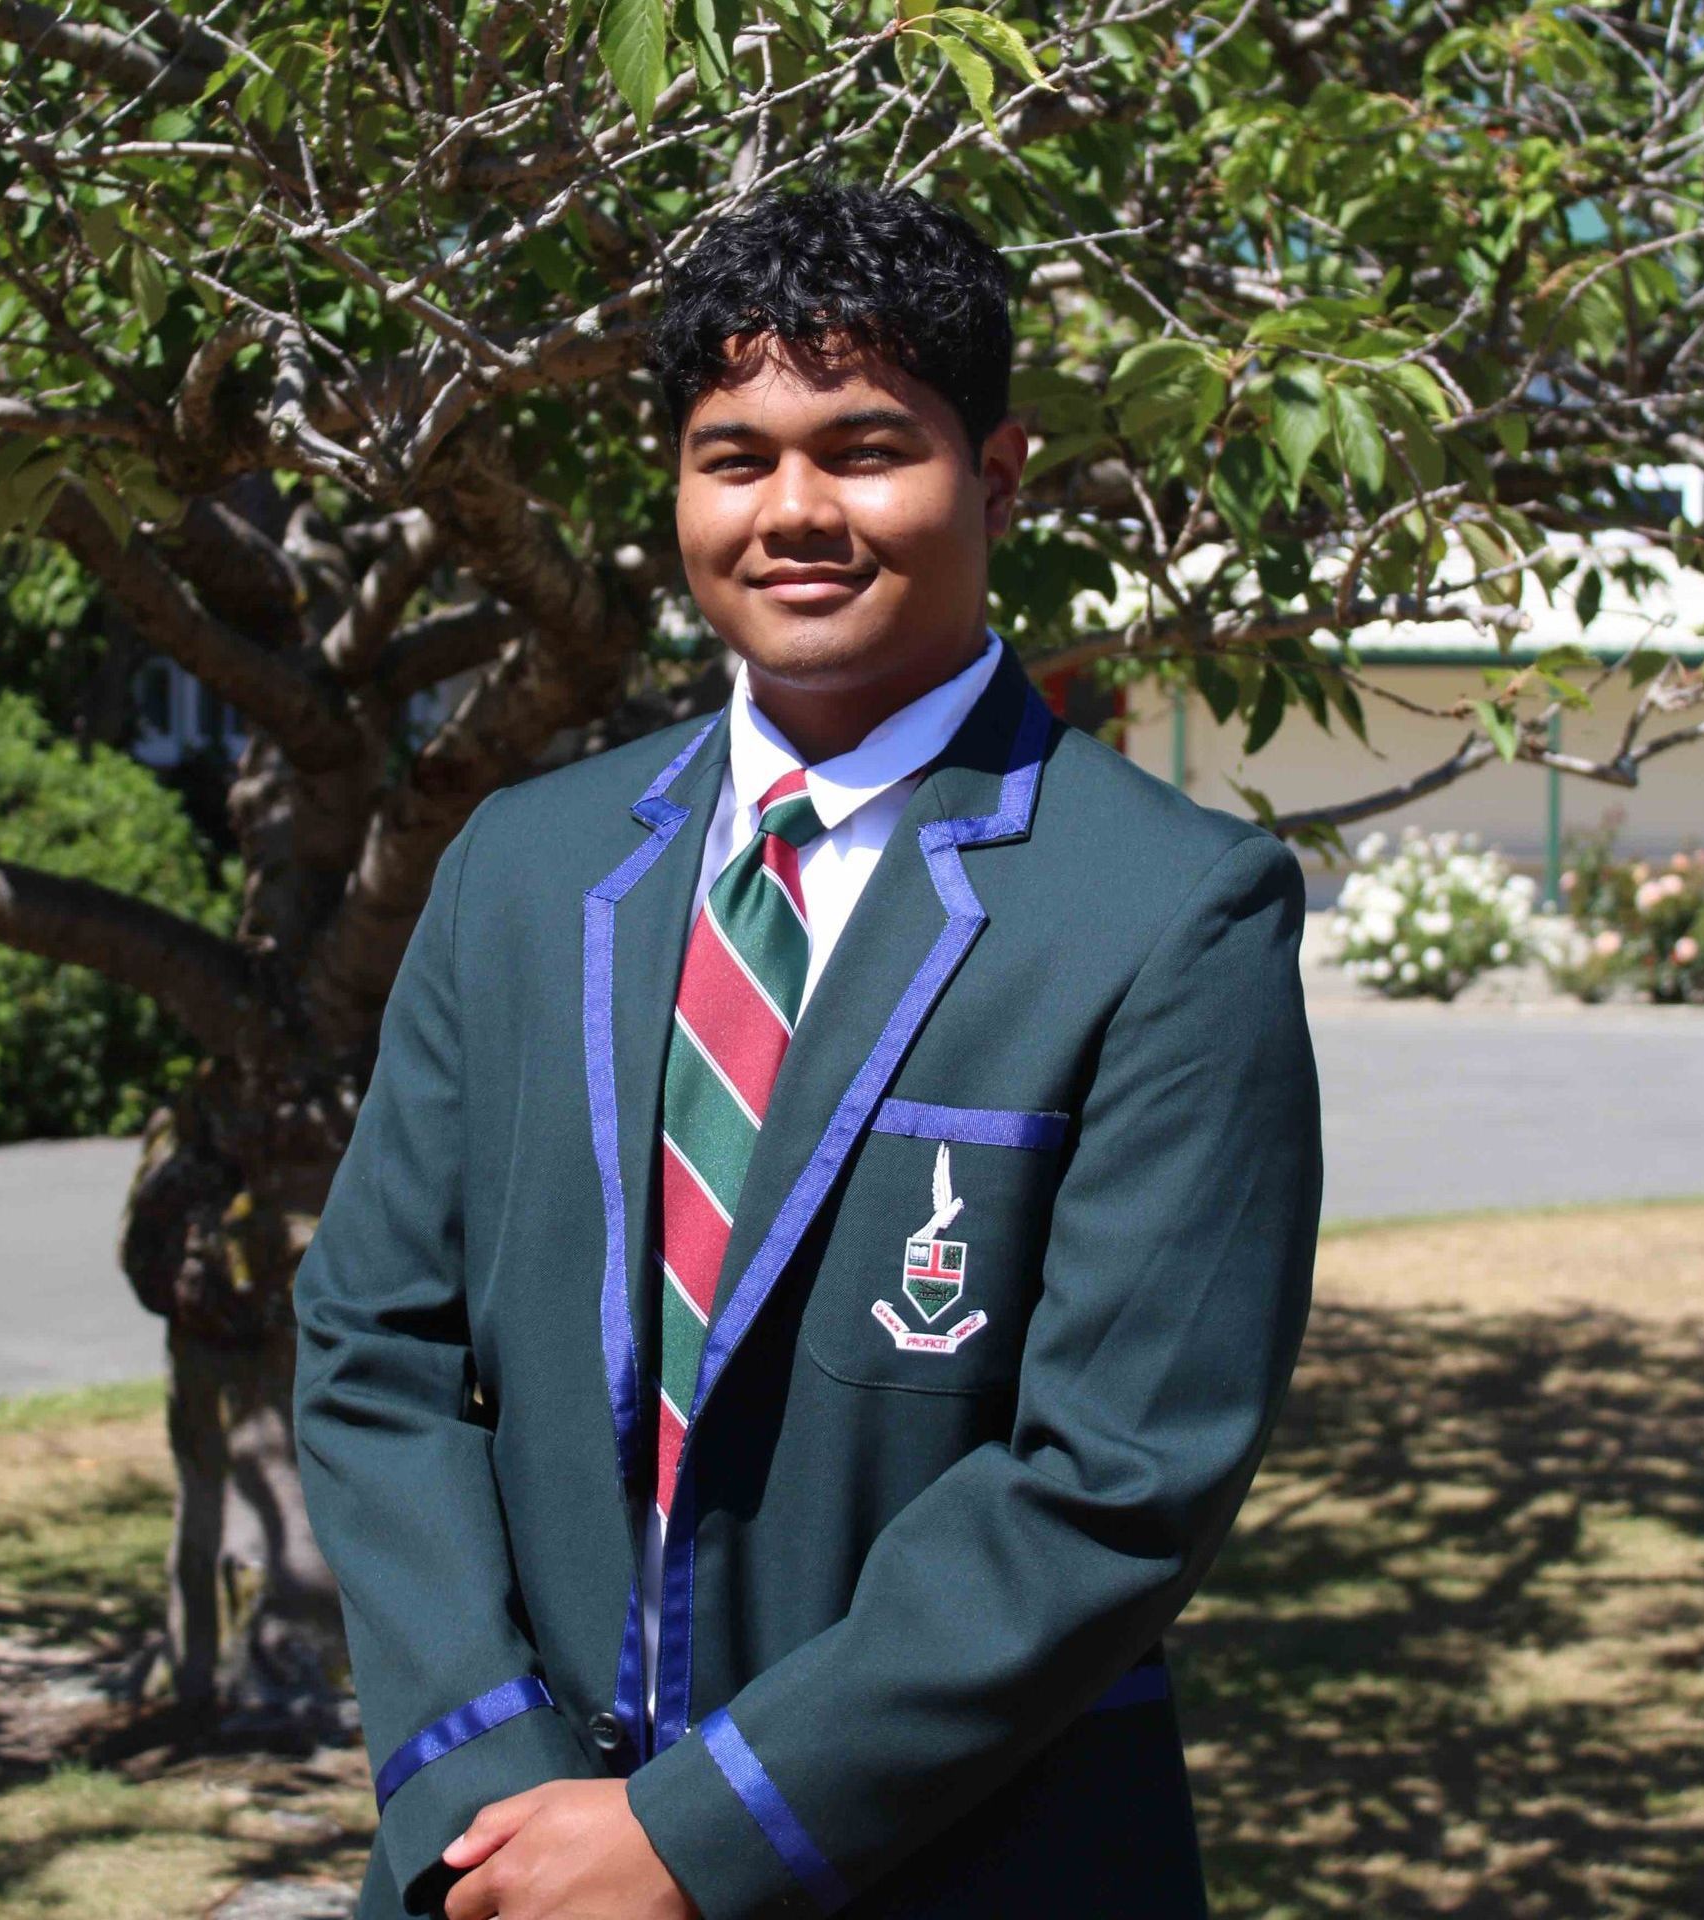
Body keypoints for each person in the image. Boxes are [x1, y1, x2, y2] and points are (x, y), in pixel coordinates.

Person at [292, 175, 1323, 1920]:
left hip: (954, 1863)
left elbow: (1116, 1488)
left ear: (992, 480)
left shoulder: (1168, 914)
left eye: (863, 448)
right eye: (733, 454)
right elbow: (373, 1347)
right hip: (513, 1868)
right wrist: (495, 1788)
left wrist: (698, 1840)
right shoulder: (527, 870)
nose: (794, 511)